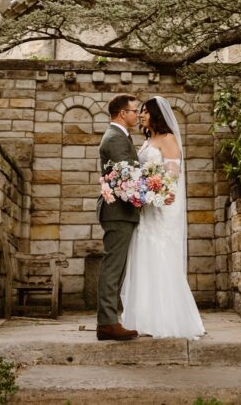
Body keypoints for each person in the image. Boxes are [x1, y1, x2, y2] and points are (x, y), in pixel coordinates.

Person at [120, 95, 206, 339]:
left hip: (163, 205)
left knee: (160, 255)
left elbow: (172, 174)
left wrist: (159, 194)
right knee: (143, 255)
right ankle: (144, 317)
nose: (142, 115)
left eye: (145, 111)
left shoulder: (168, 139)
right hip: (148, 205)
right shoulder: (147, 141)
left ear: (156, 114)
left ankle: (167, 318)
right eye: (141, 111)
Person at [95, 93, 141, 341]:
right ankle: (107, 323)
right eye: (135, 111)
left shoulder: (120, 137)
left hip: (123, 212)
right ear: (123, 113)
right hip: (117, 212)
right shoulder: (114, 138)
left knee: (118, 268)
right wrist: (152, 191)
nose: (137, 115)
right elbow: (129, 178)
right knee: (113, 268)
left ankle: (111, 320)